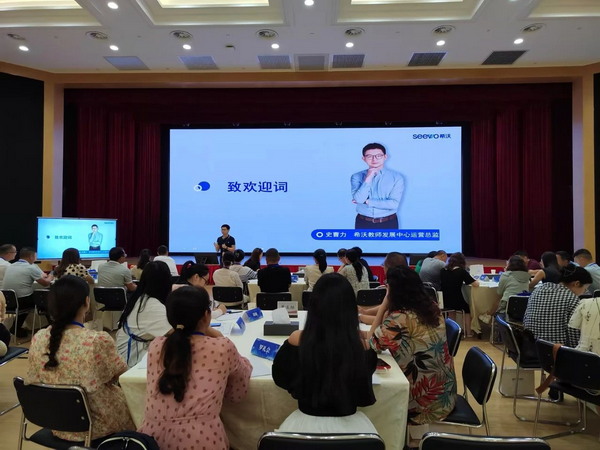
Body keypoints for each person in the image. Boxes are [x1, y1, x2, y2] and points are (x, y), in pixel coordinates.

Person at [138, 286, 252, 450]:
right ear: (206, 315)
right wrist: (218, 336)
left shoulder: (157, 346)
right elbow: (237, 394)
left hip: (152, 440)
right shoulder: (222, 347)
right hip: (202, 439)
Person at [27, 276, 134, 441]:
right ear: (86, 302)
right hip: (98, 425)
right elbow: (122, 375)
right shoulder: (97, 341)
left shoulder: (39, 338)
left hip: (57, 423)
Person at [272, 273, 377, 433]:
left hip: (304, 423)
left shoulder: (297, 340)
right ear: (351, 308)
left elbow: (280, 378)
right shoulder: (363, 347)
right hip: (351, 426)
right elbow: (362, 392)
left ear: (314, 306)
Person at [369, 266, 456, 425]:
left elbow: (371, 344)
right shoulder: (432, 307)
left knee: (373, 400)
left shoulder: (399, 318)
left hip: (420, 403)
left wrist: (384, 305)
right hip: (444, 394)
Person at [116, 261, 173, 367]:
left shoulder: (140, 297)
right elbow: (174, 333)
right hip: (133, 358)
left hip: (126, 350)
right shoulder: (152, 305)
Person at [524, 264, 592, 349]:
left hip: (530, 347)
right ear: (577, 284)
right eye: (585, 289)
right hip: (556, 351)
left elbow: (525, 319)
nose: (584, 292)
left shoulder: (538, 290)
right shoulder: (572, 299)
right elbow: (574, 335)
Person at [351, 142, 404, 229]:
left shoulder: (397, 177)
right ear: (363, 158)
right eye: (369, 156)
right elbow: (359, 199)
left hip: (389, 222)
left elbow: (393, 204)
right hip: (363, 222)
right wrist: (368, 178)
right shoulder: (356, 176)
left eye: (378, 156)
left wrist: (367, 201)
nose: (374, 159)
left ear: (385, 157)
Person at [3, 247, 53, 337]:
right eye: (35, 256)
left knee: (27, 301)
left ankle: (16, 328)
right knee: (44, 299)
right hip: (22, 301)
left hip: (8, 301)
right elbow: (45, 283)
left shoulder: (11, 266)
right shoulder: (30, 267)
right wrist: (51, 275)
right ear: (31, 256)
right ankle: (52, 327)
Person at [440, 252, 479, 337]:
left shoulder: (443, 270)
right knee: (467, 309)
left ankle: (452, 332)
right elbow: (475, 284)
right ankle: (468, 332)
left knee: (451, 311)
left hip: (444, 300)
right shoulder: (461, 271)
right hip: (457, 300)